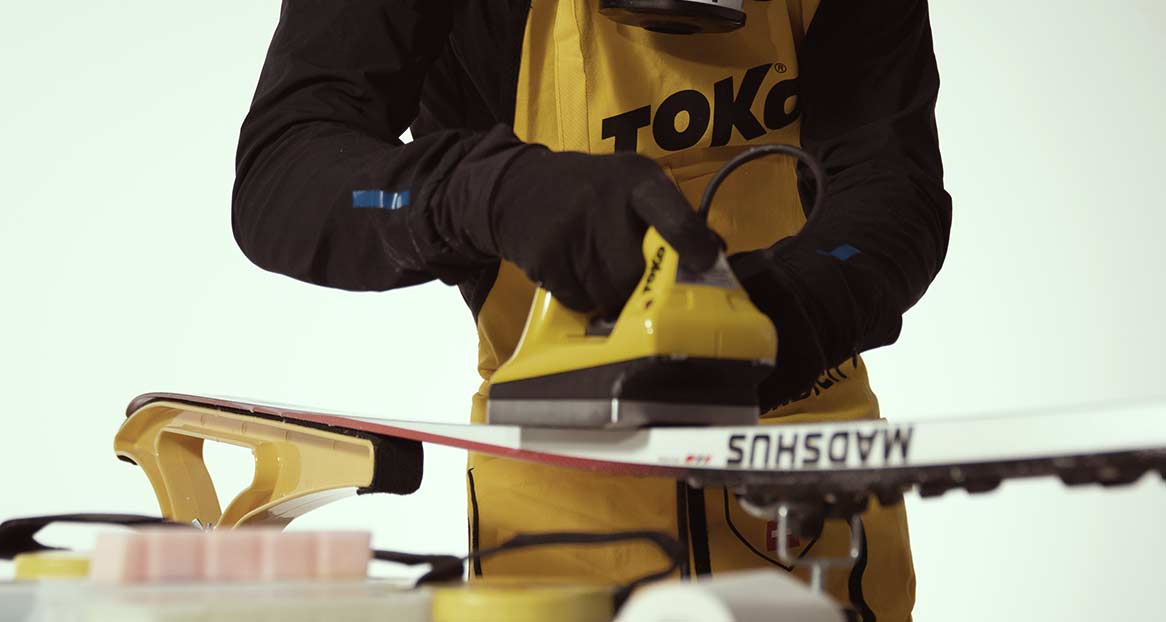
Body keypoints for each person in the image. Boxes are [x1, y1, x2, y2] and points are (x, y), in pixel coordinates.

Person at [232, 1, 951, 618]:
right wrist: (482, 194)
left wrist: (789, 311)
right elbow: (285, 175)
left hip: (808, 482)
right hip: (562, 492)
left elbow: (893, 184)